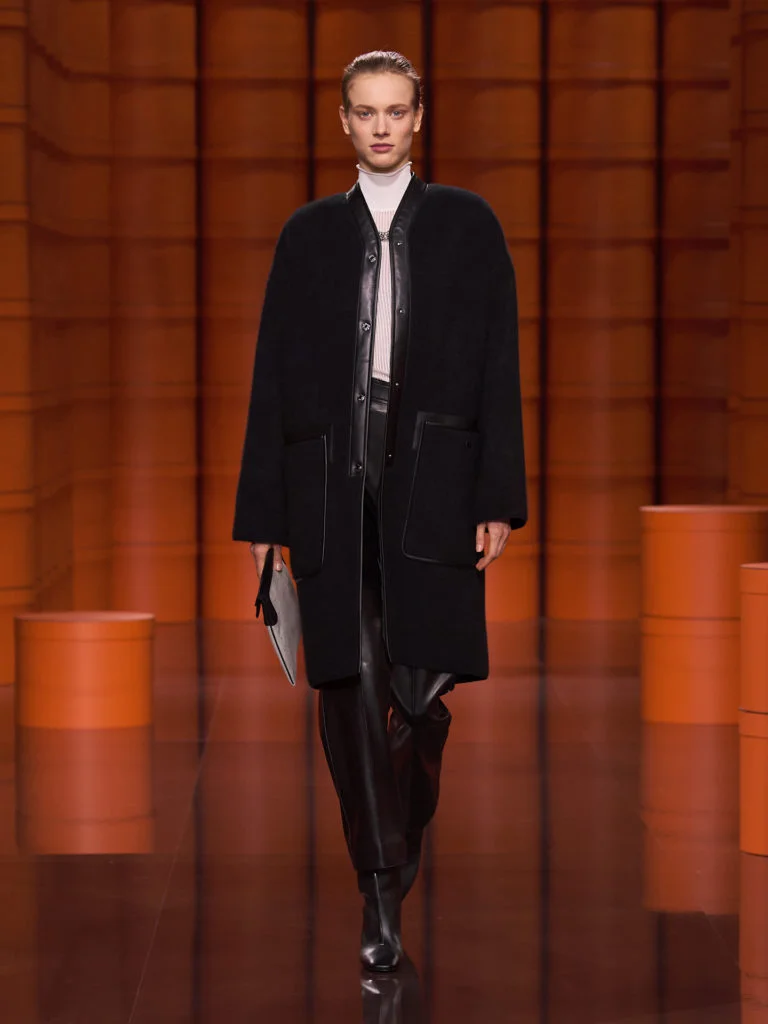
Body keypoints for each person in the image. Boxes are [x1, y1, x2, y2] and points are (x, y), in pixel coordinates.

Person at [233, 50, 527, 973]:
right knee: (350, 676)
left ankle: (395, 837)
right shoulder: (308, 236)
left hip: (434, 477)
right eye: (366, 112)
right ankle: (380, 886)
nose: (382, 127)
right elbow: (273, 375)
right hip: (331, 478)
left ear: (419, 117)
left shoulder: (470, 227)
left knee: (420, 697)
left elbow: (499, 365)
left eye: (396, 110)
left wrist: (498, 496)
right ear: (344, 122)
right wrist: (263, 520)